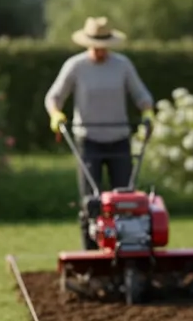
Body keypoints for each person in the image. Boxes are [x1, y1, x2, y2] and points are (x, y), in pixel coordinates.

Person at [44, 17, 155, 250]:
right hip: (88, 141)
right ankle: (91, 252)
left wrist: (147, 113)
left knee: (125, 200)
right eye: (96, 46)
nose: (101, 51)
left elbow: (142, 95)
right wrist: (56, 115)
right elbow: (53, 97)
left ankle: (127, 248)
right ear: (88, 43)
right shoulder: (75, 66)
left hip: (119, 139)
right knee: (91, 201)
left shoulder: (122, 65)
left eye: (104, 46)